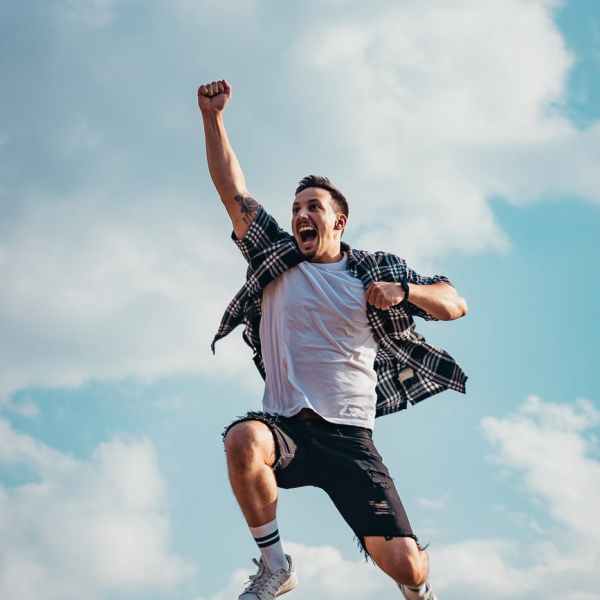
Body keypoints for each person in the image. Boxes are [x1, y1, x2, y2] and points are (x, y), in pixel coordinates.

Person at [199, 79, 468, 600]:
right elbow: (233, 193)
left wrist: (406, 290)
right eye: (297, 206)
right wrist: (213, 120)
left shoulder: (370, 270)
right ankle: (275, 566)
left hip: (350, 439)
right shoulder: (274, 259)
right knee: (242, 440)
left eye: (313, 207)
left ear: (338, 220)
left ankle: (420, 593)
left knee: (405, 565)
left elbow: (455, 302)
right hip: (287, 429)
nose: (301, 214)